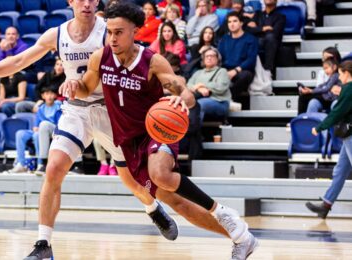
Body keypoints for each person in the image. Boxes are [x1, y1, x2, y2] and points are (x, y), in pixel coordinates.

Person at [0, 1, 226, 259]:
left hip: (113, 111)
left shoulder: (109, 31)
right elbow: (19, 61)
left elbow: (138, 60)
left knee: (132, 181)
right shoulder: (57, 34)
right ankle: (43, 243)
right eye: (81, 0)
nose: (87, 4)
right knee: (54, 168)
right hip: (77, 109)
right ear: (70, 2)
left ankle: (152, 207)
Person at [60, 1, 258, 259]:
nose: (112, 37)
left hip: (155, 131)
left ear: (135, 32)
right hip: (128, 142)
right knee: (179, 204)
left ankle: (221, 210)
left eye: (119, 32)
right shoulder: (101, 56)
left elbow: (187, 95)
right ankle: (242, 237)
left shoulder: (153, 62)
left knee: (161, 174)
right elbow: (87, 88)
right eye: (109, 31)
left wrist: (180, 99)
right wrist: (75, 84)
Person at [306, 60, 352, 219]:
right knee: (340, 171)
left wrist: (319, 127)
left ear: (347, 73)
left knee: (341, 171)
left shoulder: (348, 88)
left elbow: (337, 112)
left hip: (350, 133)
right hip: (348, 136)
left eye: (340, 73)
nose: (339, 77)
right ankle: (326, 205)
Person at [9, 85, 62, 174]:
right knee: (20, 133)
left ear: (55, 96)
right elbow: (36, 125)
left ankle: (40, 164)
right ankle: (21, 164)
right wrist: (36, 127)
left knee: (38, 134)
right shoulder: (41, 108)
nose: (49, 96)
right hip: (40, 130)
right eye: (46, 94)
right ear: (43, 96)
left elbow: (60, 124)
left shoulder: (58, 106)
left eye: (51, 94)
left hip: (52, 131)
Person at [218, 12, 258, 106]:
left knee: (245, 76)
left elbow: (251, 60)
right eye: (229, 22)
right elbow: (219, 57)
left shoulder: (251, 39)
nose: (232, 24)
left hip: (242, 70)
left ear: (241, 23)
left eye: (235, 21)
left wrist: (236, 70)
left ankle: (228, 98)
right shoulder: (224, 39)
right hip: (225, 69)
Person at [187, 47, 231, 122]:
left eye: (212, 56)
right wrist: (199, 88)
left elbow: (220, 88)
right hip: (200, 100)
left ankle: (193, 131)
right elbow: (188, 85)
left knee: (199, 104)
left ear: (217, 59)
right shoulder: (198, 72)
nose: (209, 58)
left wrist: (202, 85)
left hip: (219, 102)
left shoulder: (222, 71)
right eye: (207, 56)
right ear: (203, 59)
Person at [244, 0, 285, 72]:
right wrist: (263, 28)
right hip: (257, 41)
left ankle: (268, 70)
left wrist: (257, 29)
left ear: (276, 1)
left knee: (270, 37)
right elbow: (248, 29)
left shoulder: (280, 17)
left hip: (271, 43)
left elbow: (275, 32)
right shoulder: (258, 14)